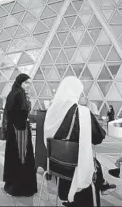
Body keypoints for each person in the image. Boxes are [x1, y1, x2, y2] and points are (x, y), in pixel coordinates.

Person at [44, 76, 107, 207]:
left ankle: (68, 198)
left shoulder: (52, 111)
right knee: (95, 168)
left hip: (55, 165)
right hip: (74, 167)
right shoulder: (82, 112)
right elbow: (99, 137)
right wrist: (87, 110)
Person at [3, 73, 37, 197]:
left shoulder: (12, 92)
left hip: (13, 130)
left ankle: (10, 186)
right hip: (20, 130)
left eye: (30, 84)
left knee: (13, 156)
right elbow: (24, 111)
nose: (29, 86)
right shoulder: (21, 93)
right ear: (20, 82)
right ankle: (20, 188)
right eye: (26, 83)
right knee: (22, 157)